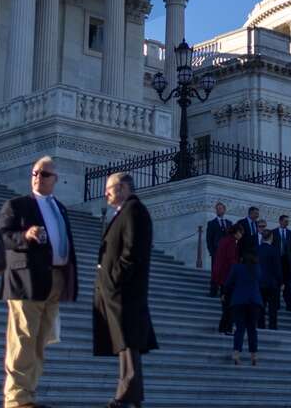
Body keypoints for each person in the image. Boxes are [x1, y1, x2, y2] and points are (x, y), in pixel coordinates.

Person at [0, 156, 79, 408]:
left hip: (53, 279)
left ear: (55, 179)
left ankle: (28, 393)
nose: (37, 177)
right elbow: (1, 236)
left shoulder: (59, 207)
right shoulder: (18, 204)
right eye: (35, 172)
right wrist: (25, 235)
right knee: (22, 338)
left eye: (44, 174)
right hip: (26, 280)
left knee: (41, 339)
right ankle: (16, 399)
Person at [93, 172, 158, 408]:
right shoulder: (127, 211)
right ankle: (132, 395)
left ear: (122, 188)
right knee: (125, 343)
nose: (106, 193)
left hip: (126, 291)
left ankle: (125, 394)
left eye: (109, 188)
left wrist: (114, 278)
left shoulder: (133, 210)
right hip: (123, 291)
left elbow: (132, 250)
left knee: (128, 342)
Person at [224, 249, 262, 366]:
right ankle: (254, 355)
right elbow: (260, 281)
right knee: (252, 329)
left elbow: (228, 283)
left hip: (239, 301)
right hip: (254, 301)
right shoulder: (257, 269)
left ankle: (236, 354)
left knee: (240, 329)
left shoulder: (236, 268)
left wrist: (226, 292)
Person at [212, 223, 243, 335]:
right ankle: (227, 328)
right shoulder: (231, 243)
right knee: (229, 305)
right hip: (228, 278)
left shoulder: (225, 240)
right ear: (236, 232)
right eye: (241, 233)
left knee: (226, 305)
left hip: (222, 277)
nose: (241, 235)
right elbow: (231, 261)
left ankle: (223, 327)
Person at [255, 218, 281, 329]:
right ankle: (272, 326)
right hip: (272, 284)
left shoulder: (257, 249)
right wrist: (281, 281)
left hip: (260, 283)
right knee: (272, 308)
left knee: (261, 306)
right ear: (271, 237)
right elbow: (277, 268)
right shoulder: (274, 250)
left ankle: (261, 326)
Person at [206, 202, 231, 297]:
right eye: (217, 208)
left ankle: (223, 291)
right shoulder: (212, 223)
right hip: (216, 252)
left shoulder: (229, 223)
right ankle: (213, 291)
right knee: (215, 272)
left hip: (226, 254)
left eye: (220, 208)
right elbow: (209, 239)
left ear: (224, 210)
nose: (219, 210)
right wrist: (211, 251)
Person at [275, 214, 291, 312]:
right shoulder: (273, 232)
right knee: (276, 284)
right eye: (285, 221)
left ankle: (289, 305)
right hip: (277, 262)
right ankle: (276, 304)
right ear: (280, 221)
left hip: (287, 263)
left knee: (287, 285)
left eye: (288, 221)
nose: (287, 223)